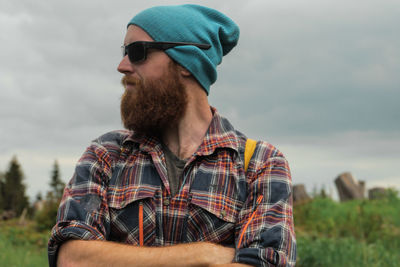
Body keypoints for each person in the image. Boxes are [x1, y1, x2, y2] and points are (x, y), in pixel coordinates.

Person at [48, 4, 296, 267]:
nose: (122, 66)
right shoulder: (107, 154)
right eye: (125, 53)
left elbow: (265, 262)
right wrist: (202, 255)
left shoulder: (259, 164)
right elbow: (73, 259)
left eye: (137, 52)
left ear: (187, 62)